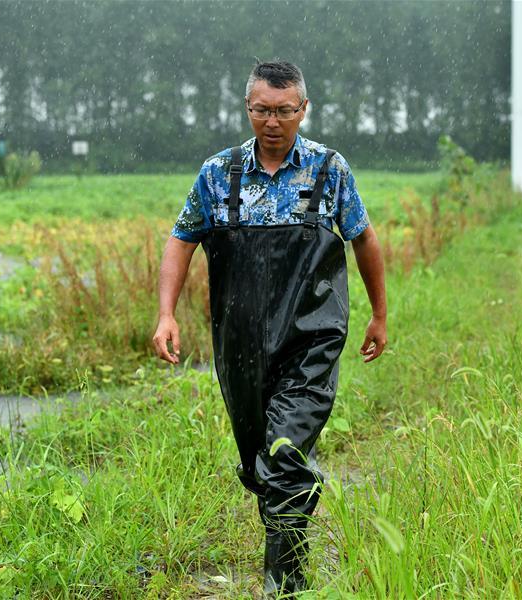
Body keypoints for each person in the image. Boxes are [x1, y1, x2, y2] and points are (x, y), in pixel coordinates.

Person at [152, 61, 387, 594]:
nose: (273, 121)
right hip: (239, 343)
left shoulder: (329, 170)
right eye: (262, 110)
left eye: (284, 111)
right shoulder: (218, 173)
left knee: (284, 453)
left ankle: (284, 585)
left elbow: (364, 239)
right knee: (260, 462)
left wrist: (379, 314)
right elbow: (181, 240)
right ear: (248, 109)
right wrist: (166, 313)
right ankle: (288, 552)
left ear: (304, 109)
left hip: (311, 339)